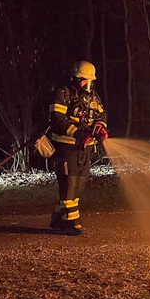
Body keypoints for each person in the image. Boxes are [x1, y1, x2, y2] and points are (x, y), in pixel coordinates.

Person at [48, 60, 108, 235]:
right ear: (75, 78)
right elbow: (57, 119)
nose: (86, 84)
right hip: (65, 147)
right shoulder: (62, 93)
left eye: (89, 81)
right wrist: (77, 133)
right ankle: (71, 221)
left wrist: (100, 126)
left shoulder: (93, 96)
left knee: (79, 184)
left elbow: (101, 114)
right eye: (83, 80)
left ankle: (59, 217)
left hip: (85, 148)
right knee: (68, 183)